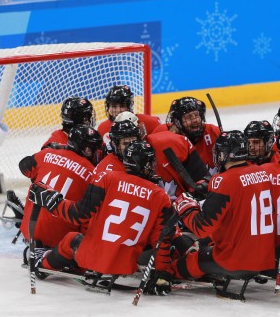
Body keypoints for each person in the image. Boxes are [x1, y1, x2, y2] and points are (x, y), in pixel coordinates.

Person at [29, 141, 178, 295]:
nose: (153, 166)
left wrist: (52, 201)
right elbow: (162, 240)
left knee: (71, 239)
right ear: (142, 163)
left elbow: (79, 215)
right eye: (150, 162)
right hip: (127, 267)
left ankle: (43, 266)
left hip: (93, 260)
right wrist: (162, 274)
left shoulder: (106, 178)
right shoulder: (161, 196)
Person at [171, 130, 277, 281]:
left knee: (185, 263)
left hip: (234, 261)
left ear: (224, 154)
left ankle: (166, 273)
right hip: (264, 258)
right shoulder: (262, 172)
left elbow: (202, 228)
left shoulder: (223, 181)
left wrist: (185, 206)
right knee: (208, 240)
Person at [18, 125, 101, 248]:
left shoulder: (46, 154)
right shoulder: (93, 174)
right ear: (87, 150)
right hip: (61, 242)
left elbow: (24, 167)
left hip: (28, 232)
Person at [120, 111, 209, 199]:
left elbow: (204, 180)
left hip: (185, 207)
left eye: (133, 138)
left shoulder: (171, 142)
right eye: (125, 142)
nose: (130, 145)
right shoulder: (112, 167)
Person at [152, 97, 220, 174]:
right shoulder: (161, 133)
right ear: (177, 122)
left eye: (197, 115)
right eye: (188, 117)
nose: (195, 120)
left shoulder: (213, 131)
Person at [96, 85, 160, 145]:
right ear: (108, 107)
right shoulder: (102, 128)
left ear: (130, 106)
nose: (118, 110)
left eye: (122, 106)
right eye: (114, 106)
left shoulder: (151, 123)